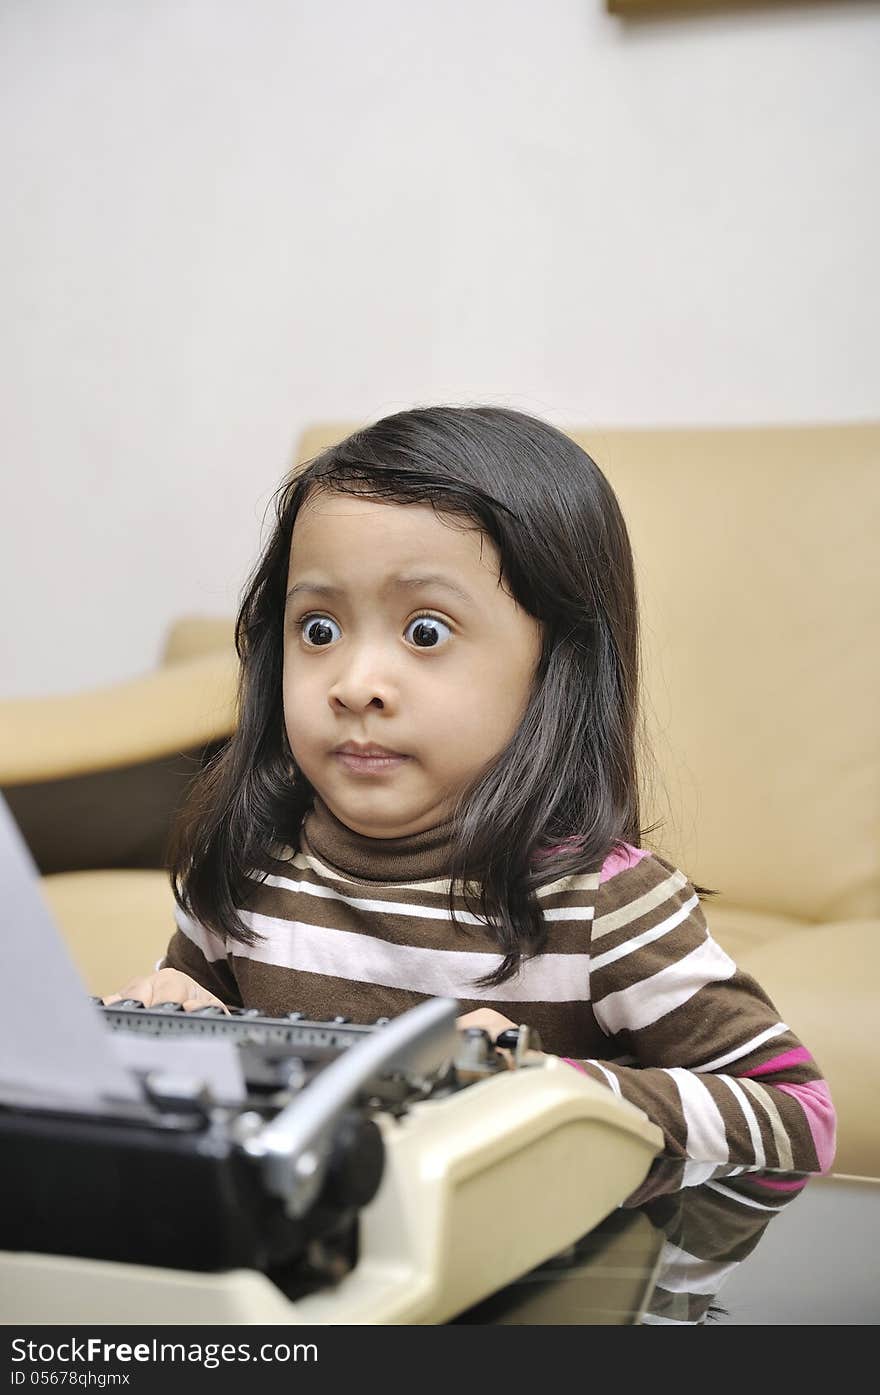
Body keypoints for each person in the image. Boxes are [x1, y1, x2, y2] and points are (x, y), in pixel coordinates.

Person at [108, 405, 835, 1178]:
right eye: (318, 629)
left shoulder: (601, 907)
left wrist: (551, 1092)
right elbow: (226, 1078)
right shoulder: (249, 866)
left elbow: (800, 1118)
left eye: (426, 631)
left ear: (557, 664)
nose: (356, 685)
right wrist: (169, 1029)